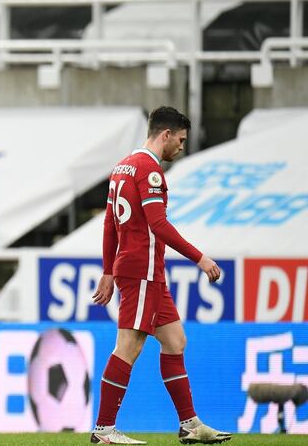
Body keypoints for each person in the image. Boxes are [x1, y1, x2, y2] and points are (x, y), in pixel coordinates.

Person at [90, 107, 232, 445]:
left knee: (175, 341)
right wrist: (199, 257)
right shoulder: (150, 170)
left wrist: (109, 270)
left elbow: (110, 224)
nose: (181, 147)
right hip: (142, 271)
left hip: (142, 271)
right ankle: (104, 430)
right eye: (180, 140)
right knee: (129, 345)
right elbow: (158, 224)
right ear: (165, 134)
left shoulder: (122, 166)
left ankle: (190, 425)